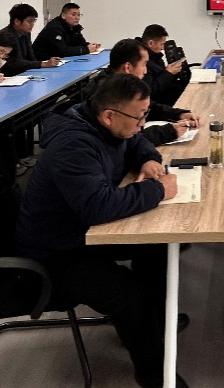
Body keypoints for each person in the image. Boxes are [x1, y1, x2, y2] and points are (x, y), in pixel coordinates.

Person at [15, 74, 189, 388]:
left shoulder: (104, 123)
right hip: (55, 251)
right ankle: (153, 373)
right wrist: (158, 191)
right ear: (109, 116)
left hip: (83, 232)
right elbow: (98, 206)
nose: (142, 124)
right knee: (129, 293)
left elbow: (136, 140)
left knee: (158, 246)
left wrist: (148, 159)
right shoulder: (73, 145)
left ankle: (153, 325)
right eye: (139, 117)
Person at [84, 39, 200, 146]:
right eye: (144, 64)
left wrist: (178, 114)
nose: (145, 71)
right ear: (128, 67)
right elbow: (122, 141)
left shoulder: (121, 84)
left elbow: (149, 107)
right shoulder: (105, 95)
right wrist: (168, 132)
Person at [0, 3, 61, 76]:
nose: (32, 24)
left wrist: (40, 69)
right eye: (29, 21)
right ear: (17, 21)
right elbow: (15, 62)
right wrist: (43, 64)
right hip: (10, 75)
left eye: (34, 21)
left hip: (25, 72)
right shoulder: (6, 36)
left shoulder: (25, 32)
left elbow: (31, 55)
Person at [141, 24, 189, 107]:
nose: (163, 48)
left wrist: (171, 72)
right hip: (160, 103)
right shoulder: (142, 61)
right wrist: (168, 73)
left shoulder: (155, 57)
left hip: (169, 94)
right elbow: (151, 91)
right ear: (151, 43)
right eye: (162, 44)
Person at [33, 3, 100, 61]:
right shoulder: (54, 28)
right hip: (43, 61)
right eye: (73, 15)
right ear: (63, 16)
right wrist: (86, 50)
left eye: (79, 15)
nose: (77, 18)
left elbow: (80, 42)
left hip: (60, 60)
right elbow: (62, 51)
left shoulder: (73, 26)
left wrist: (90, 45)